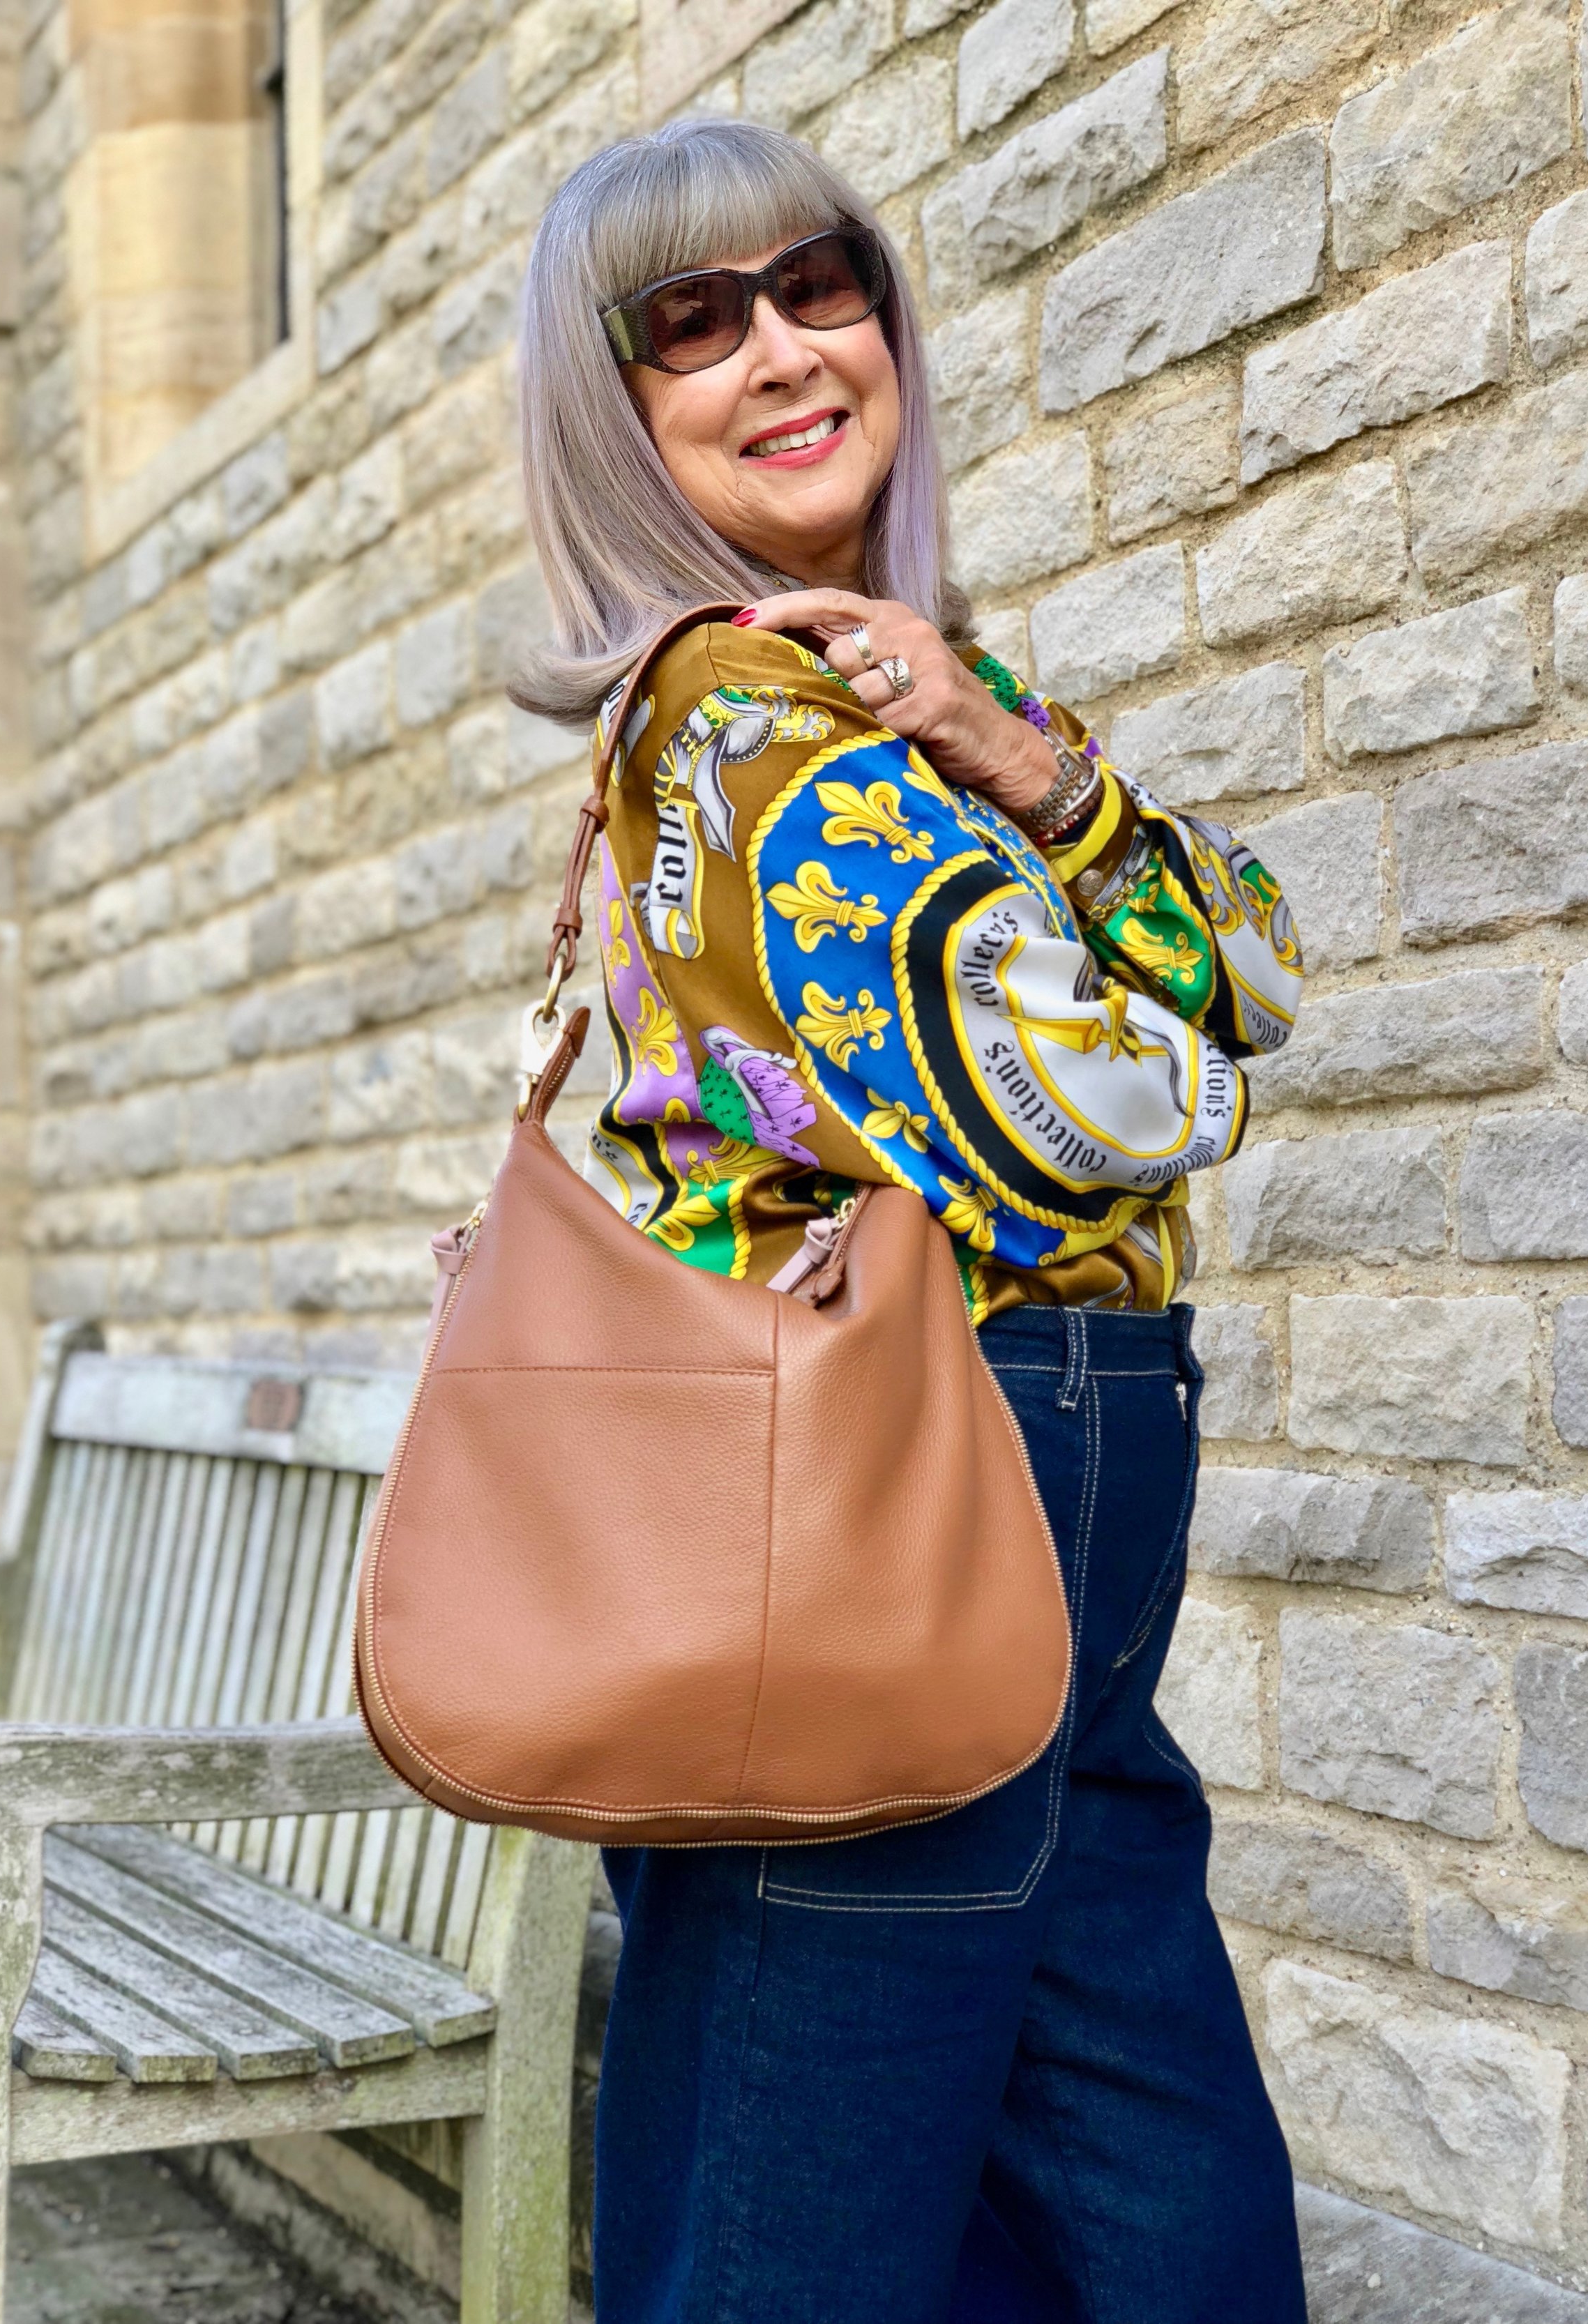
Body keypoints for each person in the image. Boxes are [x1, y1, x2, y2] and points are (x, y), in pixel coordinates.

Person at [514, 114, 1308, 2324]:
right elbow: (1110, 1095)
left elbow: (1245, 973)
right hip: (961, 1440)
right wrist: (1163, 1032)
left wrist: (1030, 760)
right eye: (691, 319)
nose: (778, 348)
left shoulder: (905, 703)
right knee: (1004, 2132)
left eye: (818, 284)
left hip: (964, 1466)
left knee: (917, 2179)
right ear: (616, 404)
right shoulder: (747, 717)